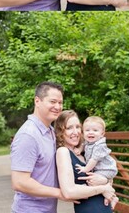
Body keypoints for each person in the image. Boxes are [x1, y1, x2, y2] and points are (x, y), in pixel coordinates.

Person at [10, 82, 108, 213]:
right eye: (52, 101)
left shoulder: (50, 131)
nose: (57, 107)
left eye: (60, 102)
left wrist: (106, 180)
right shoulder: (28, 135)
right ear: (37, 101)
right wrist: (61, 193)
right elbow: (19, 182)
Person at [55, 110, 117, 213]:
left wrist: (106, 181)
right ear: (60, 131)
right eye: (69, 128)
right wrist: (103, 189)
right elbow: (69, 192)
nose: (75, 132)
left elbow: (106, 171)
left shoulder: (85, 150)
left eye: (78, 127)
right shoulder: (63, 152)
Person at [75, 116, 118, 181]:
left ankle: (105, 186)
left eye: (95, 130)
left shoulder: (100, 145)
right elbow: (83, 144)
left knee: (92, 179)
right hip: (99, 169)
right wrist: (80, 149)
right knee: (91, 179)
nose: (90, 132)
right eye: (87, 130)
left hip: (107, 169)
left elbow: (93, 160)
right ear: (83, 133)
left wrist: (85, 169)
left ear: (102, 134)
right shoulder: (88, 141)